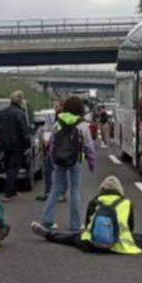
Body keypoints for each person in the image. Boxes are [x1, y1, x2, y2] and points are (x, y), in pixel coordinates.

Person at [30, 176, 142, 253]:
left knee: (70, 237)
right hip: (119, 244)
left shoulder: (95, 201)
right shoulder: (126, 203)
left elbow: (89, 224)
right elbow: (130, 227)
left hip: (92, 244)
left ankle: (48, 234)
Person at [38, 96, 97, 231]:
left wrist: (53, 160)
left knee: (55, 190)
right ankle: (75, 224)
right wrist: (91, 163)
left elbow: (52, 143)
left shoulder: (59, 122)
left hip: (59, 160)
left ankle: (47, 220)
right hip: (75, 159)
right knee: (75, 190)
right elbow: (89, 146)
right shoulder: (82, 125)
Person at [0, 90, 31, 202]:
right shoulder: (20, 113)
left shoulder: (3, 111)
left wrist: (2, 135)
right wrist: (27, 144)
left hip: (5, 145)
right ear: (20, 100)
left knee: (8, 168)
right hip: (17, 145)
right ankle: (8, 193)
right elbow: (24, 131)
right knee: (14, 169)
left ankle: (13, 191)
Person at [36, 101, 68, 203]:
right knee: (47, 170)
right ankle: (48, 191)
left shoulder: (64, 119)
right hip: (52, 148)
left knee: (61, 171)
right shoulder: (56, 118)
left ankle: (62, 193)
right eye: (55, 106)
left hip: (60, 149)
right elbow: (54, 132)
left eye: (58, 106)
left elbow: (57, 132)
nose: (56, 108)